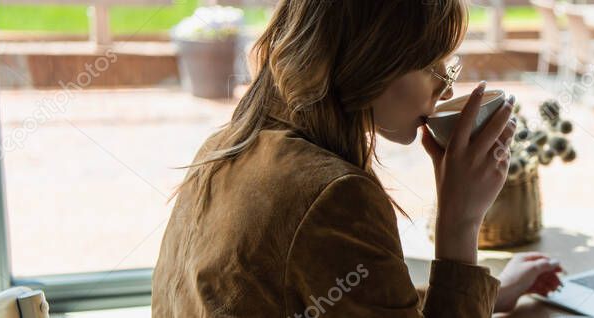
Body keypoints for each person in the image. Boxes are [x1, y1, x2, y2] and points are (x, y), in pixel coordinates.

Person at [152, 1, 563, 317]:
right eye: (431, 64)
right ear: (369, 59)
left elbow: (354, 301)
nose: (444, 86)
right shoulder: (333, 196)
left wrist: (492, 294)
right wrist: (460, 224)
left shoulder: (225, 148)